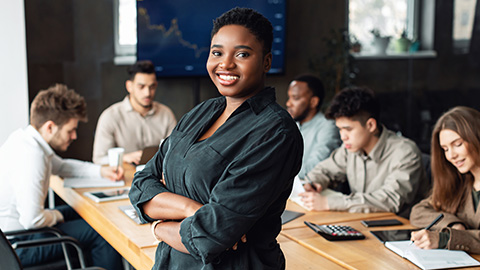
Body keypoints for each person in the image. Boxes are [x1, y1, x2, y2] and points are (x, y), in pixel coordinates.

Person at [129, 7, 303, 269]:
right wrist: (192, 210)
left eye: (242, 54)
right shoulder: (201, 112)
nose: (226, 64)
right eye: (217, 53)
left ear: (266, 61)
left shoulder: (275, 133)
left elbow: (210, 236)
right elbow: (141, 186)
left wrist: (157, 227)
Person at [0, 84, 123, 269]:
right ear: (50, 127)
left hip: (17, 235)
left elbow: (63, 167)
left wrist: (101, 171)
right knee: (103, 233)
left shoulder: (26, 140)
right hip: (19, 244)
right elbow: (32, 220)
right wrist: (56, 215)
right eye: (70, 130)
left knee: (76, 209)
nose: (74, 136)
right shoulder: (32, 157)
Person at [299, 86, 428, 218]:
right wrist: (312, 183)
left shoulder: (405, 152)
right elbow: (324, 170)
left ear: (371, 125)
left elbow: (390, 200)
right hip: (360, 224)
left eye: (348, 129)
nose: (343, 136)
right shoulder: (350, 148)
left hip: (397, 232)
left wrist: (328, 203)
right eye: (340, 129)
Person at [410, 106, 480, 253]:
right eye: (445, 149)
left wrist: (445, 238)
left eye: (457, 144)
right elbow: (418, 211)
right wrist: (453, 224)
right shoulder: (460, 182)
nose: (451, 156)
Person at [92, 60, 177, 165]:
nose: (147, 93)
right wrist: (125, 157)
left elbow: (175, 153)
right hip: (124, 177)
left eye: (152, 87)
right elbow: (99, 159)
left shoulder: (166, 114)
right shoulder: (110, 116)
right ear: (129, 86)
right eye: (141, 87)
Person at [286, 74, 340, 179]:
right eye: (289, 97)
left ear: (313, 102)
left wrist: (279, 173)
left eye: (295, 98)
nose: (288, 103)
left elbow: (316, 167)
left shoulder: (328, 127)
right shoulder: (291, 124)